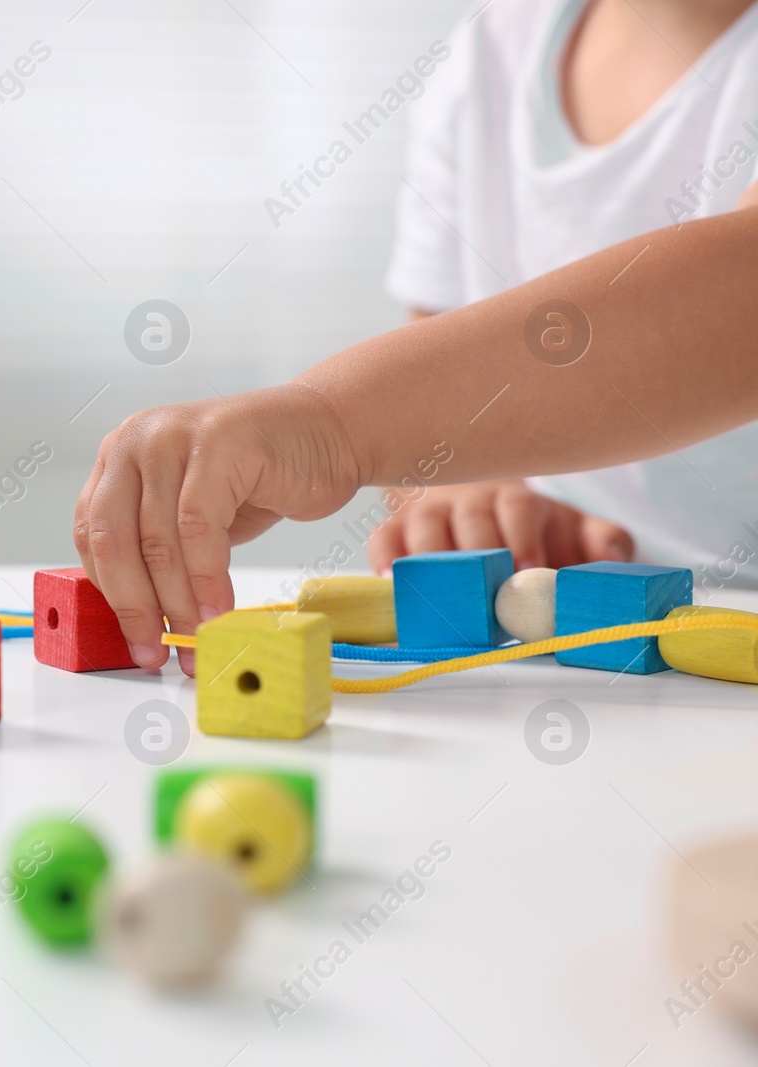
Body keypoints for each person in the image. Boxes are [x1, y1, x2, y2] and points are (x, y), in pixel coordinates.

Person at [74, 0, 758, 674]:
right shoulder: (491, 53)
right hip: (572, 653)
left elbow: (742, 299)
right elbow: (431, 394)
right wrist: (455, 498)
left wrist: (335, 422)